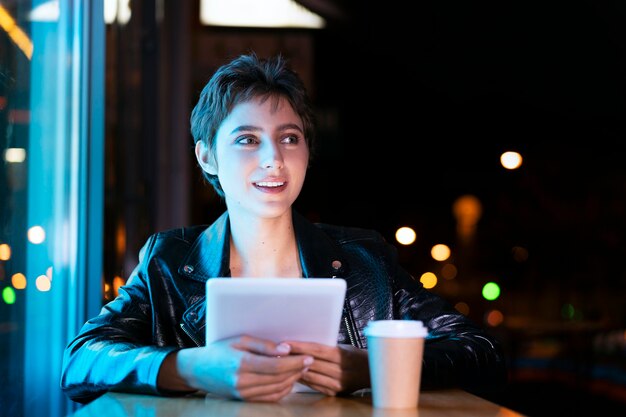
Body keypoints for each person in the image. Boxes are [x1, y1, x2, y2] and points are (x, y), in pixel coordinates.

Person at [60, 52, 507, 404]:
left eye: (290, 137)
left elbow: (480, 350)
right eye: (247, 139)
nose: (273, 157)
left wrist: (370, 367)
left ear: (307, 153)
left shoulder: (362, 259)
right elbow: (81, 360)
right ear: (206, 157)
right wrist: (192, 368)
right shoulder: (170, 261)